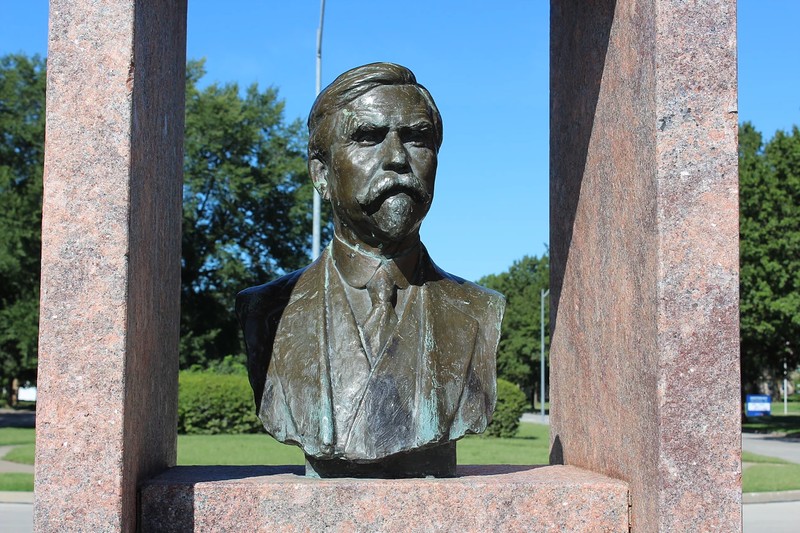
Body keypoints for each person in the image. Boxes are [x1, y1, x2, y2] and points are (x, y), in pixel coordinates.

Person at [237, 63, 505, 477]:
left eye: (417, 139)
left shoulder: (480, 311)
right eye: (367, 137)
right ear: (321, 174)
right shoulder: (266, 312)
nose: (397, 159)